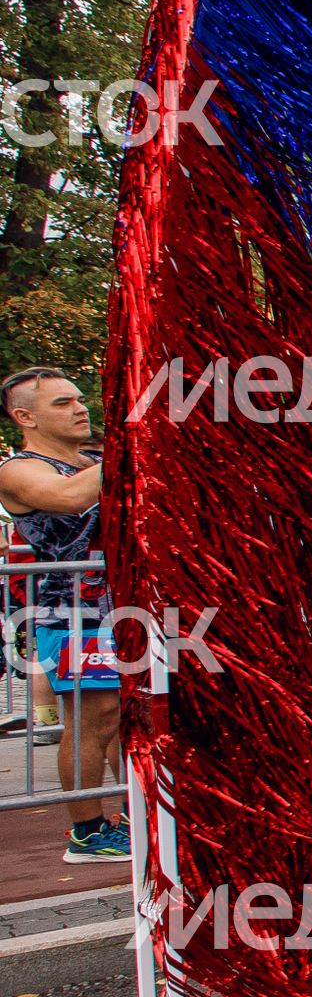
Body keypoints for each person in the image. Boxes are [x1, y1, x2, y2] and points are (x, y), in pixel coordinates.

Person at [0, 368, 126, 861]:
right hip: (70, 612)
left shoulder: (96, 459)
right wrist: (135, 441)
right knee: (94, 717)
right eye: (62, 403)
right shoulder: (18, 469)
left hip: (126, 607)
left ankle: (135, 813)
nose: (80, 408)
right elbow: (69, 498)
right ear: (25, 417)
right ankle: (87, 832)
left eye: (78, 399)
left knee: (125, 717)